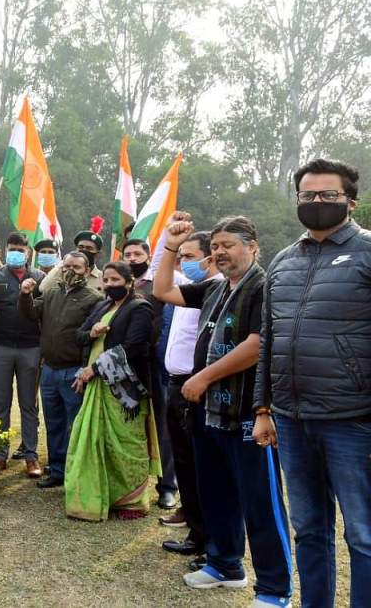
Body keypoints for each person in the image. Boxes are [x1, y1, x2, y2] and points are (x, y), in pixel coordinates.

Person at [154, 214, 292, 605]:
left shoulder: (264, 287)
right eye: (215, 246)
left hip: (250, 411)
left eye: (228, 244)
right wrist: (170, 246)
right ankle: (225, 564)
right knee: (217, 492)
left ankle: (275, 588)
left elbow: (257, 344)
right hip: (209, 412)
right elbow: (164, 290)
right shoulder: (215, 288)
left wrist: (203, 377)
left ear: (252, 246)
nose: (220, 252)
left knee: (260, 500)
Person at [253, 158, 371, 608]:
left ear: (350, 201)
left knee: (363, 534)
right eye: (308, 195)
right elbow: (270, 341)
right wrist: (263, 409)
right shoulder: (283, 261)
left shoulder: (367, 253)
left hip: (353, 422)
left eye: (328, 195)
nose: (316, 202)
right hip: (292, 420)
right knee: (309, 530)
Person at [64, 261, 159, 521]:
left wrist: (93, 369)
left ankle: (132, 501)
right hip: (97, 385)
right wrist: (92, 332)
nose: (109, 285)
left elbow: (134, 347)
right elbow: (79, 336)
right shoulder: (102, 306)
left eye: (115, 280)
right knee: (101, 440)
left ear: (129, 283)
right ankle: (105, 491)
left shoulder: (140, 308)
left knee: (127, 442)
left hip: (126, 388)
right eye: (106, 280)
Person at [19, 252, 103, 489]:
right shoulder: (51, 292)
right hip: (49, 369)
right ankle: (56, 470)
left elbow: (92, 340)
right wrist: (25, 295)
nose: (70, 271)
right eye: (66, 266)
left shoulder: (93, 299)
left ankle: (73, 472)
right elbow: (30, 314)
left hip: (73, 371)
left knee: (73, 425)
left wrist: (86, 369)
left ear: (87, 271)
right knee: (53, 422)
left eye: (76, 267)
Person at [159, 231, 218, 564]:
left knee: (201, 467)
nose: (183, 262)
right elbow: (161, 283)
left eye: (190, 256)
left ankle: (213, 542)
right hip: (176, 384)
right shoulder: (193, 290)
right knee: (185, 464)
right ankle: (197, 534)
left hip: (199, 387)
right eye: (180, 257)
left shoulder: (217, 289)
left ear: (209, 259)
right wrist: (170, 246)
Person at [0, 232, 45, 476]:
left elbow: (42, 313)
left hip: (30, 347)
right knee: (1, 403)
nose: (17, 252)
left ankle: (31, 456)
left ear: (28, 252)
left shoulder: (39, 277)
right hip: (0, 346)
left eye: (21, 249)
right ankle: (0, 453)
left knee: (28, 404)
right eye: (12, 248)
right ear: (4, 252)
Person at [122, 237, 178, 511]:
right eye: (127, 254)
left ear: (147, 255)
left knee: (163, 425)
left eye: (137, 253)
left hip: (156, 364)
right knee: (129, 423)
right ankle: (130, 485)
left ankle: (167, 486)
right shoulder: (119, 285)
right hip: (126, 366)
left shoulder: (161, 283)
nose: (132, 258)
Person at [40, 226, 104, 293]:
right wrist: (64, 263)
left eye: (89, 248)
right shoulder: (64, 271)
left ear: (97, 254)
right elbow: (43, 288)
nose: (84, 250)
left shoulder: (102, 278)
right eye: (81, 247)